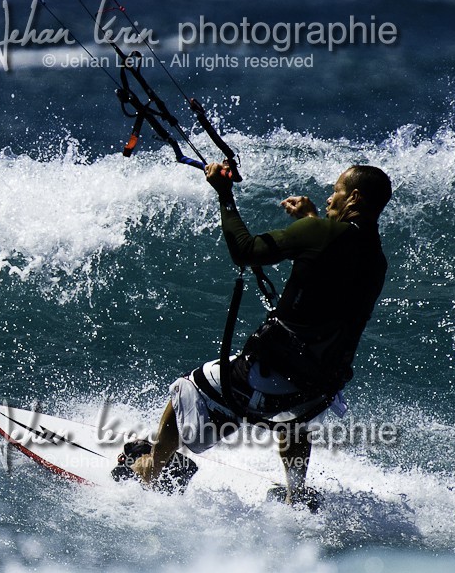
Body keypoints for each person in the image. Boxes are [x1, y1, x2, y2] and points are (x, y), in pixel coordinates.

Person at [118, 161, 391, 505]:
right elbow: (331, 262)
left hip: (272, 375)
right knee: (293, 423)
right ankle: (296, 493)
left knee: (190, 386)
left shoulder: (322, 234)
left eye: (335, 191)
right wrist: (311, 222)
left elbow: (244, 251)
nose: (328, 199)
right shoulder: (375, 259)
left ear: (353, 196)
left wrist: (225, 194)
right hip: (319, 388)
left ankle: (151, 469)